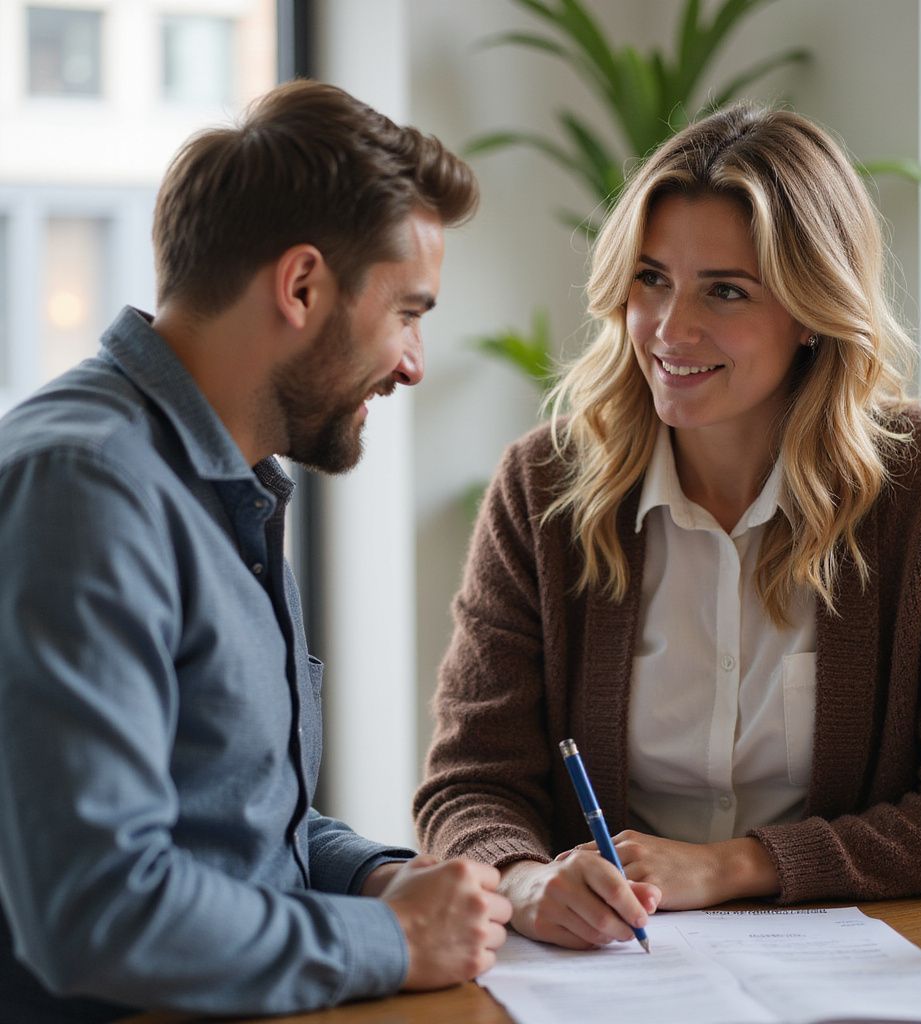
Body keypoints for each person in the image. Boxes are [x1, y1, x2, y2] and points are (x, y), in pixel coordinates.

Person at [414, 102, 921, 951]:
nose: (671, 329)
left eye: (725, 290)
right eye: (651, 279)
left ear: (812, 311)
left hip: (859, 968)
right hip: (611, 974)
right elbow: (469, 784)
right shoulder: (543, 486)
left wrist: (735, 865)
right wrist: (525, 877)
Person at [0, 79, 511, 1022]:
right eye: (408, 312)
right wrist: (395, 942)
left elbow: (238, 827)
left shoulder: (230, 485)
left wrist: (387, 882)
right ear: (302, 285)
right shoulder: (85, 488)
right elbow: (94, 907)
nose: (413, 363)